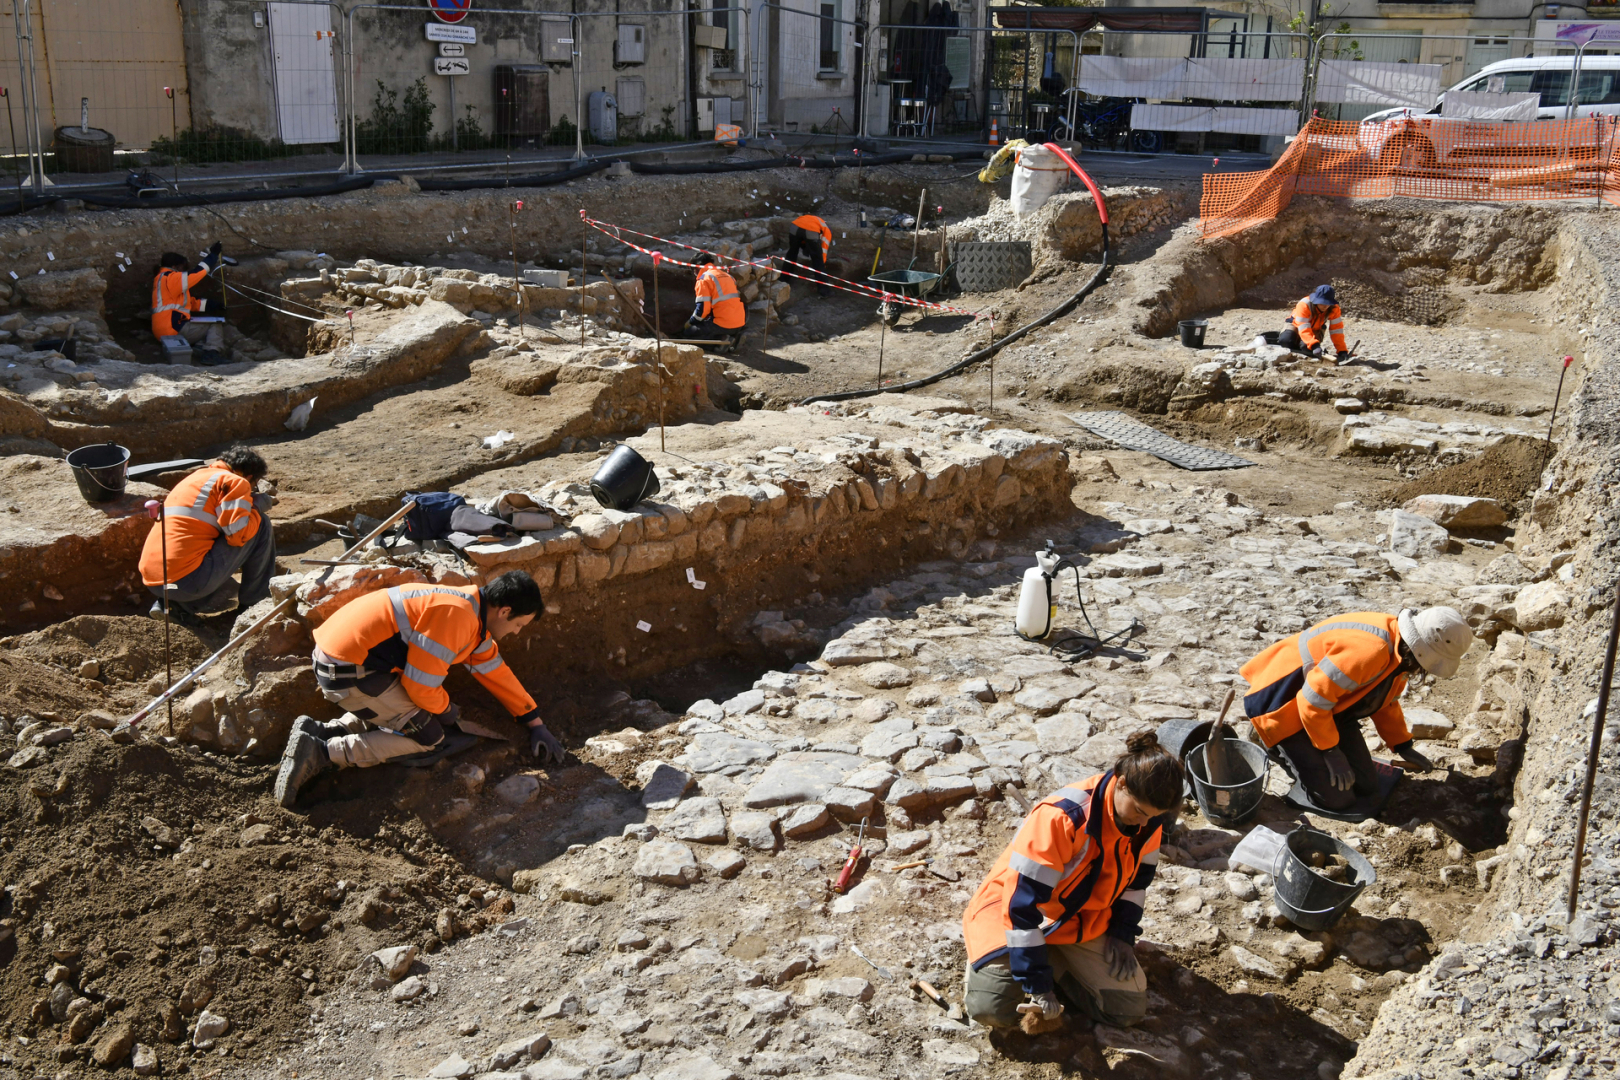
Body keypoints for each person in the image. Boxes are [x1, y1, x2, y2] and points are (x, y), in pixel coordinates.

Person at [274, 571, 567, 807]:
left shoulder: (469, 609)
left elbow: (496, 672)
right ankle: (322, 752)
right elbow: (421, 687)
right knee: (428, 736)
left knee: (409, 712)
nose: (516, 632)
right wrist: (447, 710)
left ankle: (323, 731)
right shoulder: (457, 617)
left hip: (345, 660)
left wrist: (535, 722)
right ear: (504, 611)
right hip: (348, 673)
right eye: (519, 625)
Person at [962, 732, 1184, 1034]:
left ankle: (1053, 958)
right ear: (1121, 783)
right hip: (1011, 914)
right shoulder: (1063, 817)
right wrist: (1037, 983)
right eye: (1140, 812)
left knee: (1124, 1009)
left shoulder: (1147, 820)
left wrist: (1122, 932)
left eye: (1154, 817)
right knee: (993, 1009)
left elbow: (1136, 882)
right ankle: (1017, 963)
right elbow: (1020, 909)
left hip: (1076, 919)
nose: (1145, 823)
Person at [1240, 607, 1469, 811]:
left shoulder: (1400, 651)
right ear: (1421, 650)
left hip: (1330, 709)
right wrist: (1331, 752)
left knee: (1367, 785)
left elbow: (1385, 701)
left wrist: (1402, 745)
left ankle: (1311, 747)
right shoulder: (1371, 651)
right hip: (1281, 703)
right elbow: (1311, 701)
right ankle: (1270, 741)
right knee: (1337, 799)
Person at [139, 447, 275, 622]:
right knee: (260, 524)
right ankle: (255, 605)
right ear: (249, 477)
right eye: (254, 486)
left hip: (155, 582)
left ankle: (174, 607)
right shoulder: (235, 481)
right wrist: (255, 507)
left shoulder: (195, 478)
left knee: (211, 540)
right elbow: (238, 534)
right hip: (186, 582)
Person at [152, 243, 227, 364]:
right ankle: (211, 354)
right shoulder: (171, 278)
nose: (184, 271)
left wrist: (211, 305)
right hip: (172, 329)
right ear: (174, 266)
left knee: (203, 323)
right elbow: (197, 273)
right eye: (182, 267)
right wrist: (213, 255)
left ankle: (199, 348)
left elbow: (188, 303)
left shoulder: (162, 280)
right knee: (214, 324)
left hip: (164, 328)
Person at [683, 253, 746, 347]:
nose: (694, 273)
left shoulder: (704, 279)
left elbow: (702, 310)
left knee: (688, 334)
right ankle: (733, 337)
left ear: (698, 266)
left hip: (723, 324)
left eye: (694, 269)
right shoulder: (728, 276)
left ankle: (719, 343)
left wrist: (691, 322)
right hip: (739, 322)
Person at [1278, 284, 1351, 363]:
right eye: (1322, 303)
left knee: (1306, 348)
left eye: (1328, 303)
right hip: (1295, 324)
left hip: (1316, 328)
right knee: (1286, 341)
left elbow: (1336, 331)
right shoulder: (1304, 304)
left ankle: (1302, 348)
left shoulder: (1334, 308)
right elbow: (1303, 328)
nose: (1325, 306)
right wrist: (1315, 345)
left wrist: (1342, 351)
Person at [785, 212, 834, 297]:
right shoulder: (827, 231)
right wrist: (822, 264)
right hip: (810, 230)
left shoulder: (815, 220)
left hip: (794, 226)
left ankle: (784, 279)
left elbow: (803, 238)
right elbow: (823, 251)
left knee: (791, 254)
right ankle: (825, 291)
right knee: (818, 261)